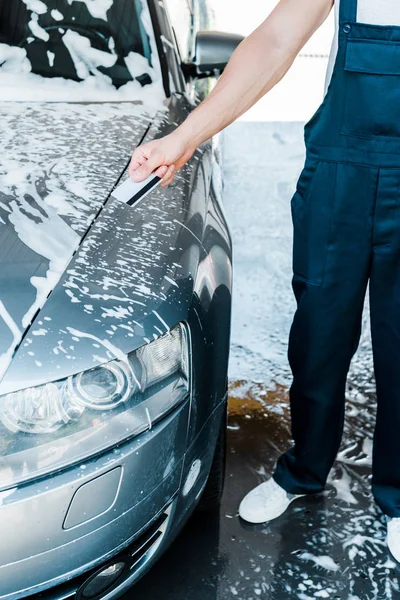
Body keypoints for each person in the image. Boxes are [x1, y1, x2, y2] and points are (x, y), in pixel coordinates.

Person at [129, 0, 400, 561]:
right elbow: (274, 42)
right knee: (319, 341)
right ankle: (303, 470)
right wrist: (188, 134)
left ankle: (398, 494)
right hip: (339, 185)